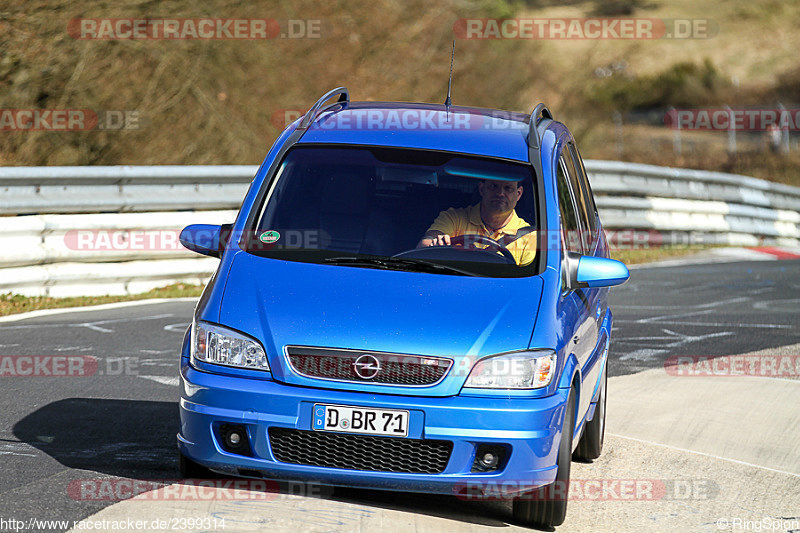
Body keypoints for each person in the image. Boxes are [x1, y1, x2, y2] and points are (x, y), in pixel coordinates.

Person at [416, 179, 537, 266]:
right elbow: (424, 246)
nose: (500, 193)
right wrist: (436, 244)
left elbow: (526, 283)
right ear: (482, 189)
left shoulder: (528, 236)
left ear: (518, 194)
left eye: (508, 188)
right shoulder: (453, 218)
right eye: (493, 186)